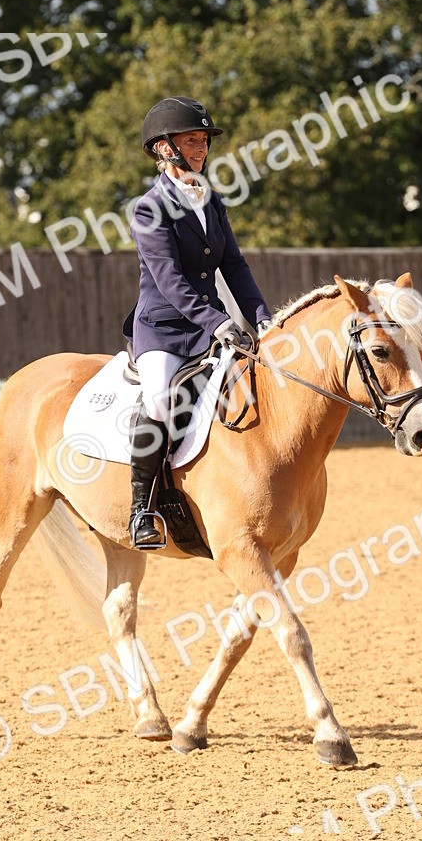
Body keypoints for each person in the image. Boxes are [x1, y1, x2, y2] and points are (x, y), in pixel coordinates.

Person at [122, 96, 272, 549]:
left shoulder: (212, 202)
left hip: (212, 327)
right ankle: (141, 509)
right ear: (163, 148)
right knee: (162, 402)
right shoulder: (149, 209)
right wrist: (215, 321)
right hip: (164, 331)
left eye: (203, 141)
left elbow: (235, 267)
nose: (201, 149)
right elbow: (168, 279)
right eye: (191, 140)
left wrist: (264, 320)